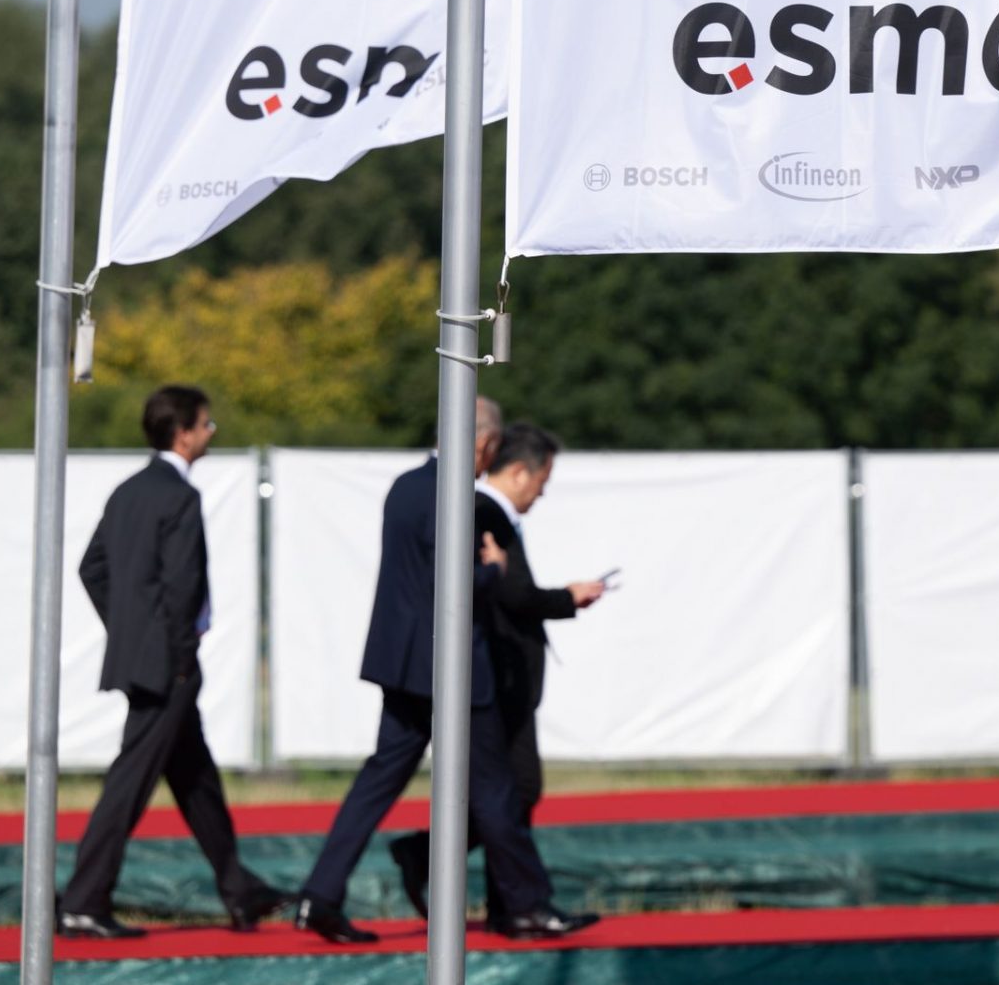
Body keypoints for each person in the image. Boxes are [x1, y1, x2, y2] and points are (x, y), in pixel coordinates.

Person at [295, 399, 596, 943]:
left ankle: (320, 894)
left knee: (378, 783)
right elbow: (450, 587)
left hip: (402, 663)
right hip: (450, 668)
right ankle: (527, 905)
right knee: (496, 789)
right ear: (481, 443)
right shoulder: (453, 497)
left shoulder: (406, 486)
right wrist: (493, 571)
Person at [58, 385, 290, 940]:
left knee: (196, 779)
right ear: (182, 432)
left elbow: (93, 569)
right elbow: (184, 588)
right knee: (131, 781)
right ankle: (84, 902)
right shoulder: (179, 498)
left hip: (150, 657)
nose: (211, 433)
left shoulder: (129, 491)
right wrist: (176, 651)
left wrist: (133, 632)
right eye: (207, 425)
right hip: (169, 665)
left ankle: (240, 890)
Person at [388, 423, 605, 921]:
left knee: (507, 790)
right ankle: (506, 896)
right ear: (519, 471)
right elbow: (506, 594)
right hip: (494, 677)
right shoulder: (483, 512)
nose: (543, 491)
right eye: (541, 479)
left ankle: (504, 897)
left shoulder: (483, 511)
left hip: (501, 675)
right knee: (509, 789)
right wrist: (566, 598)